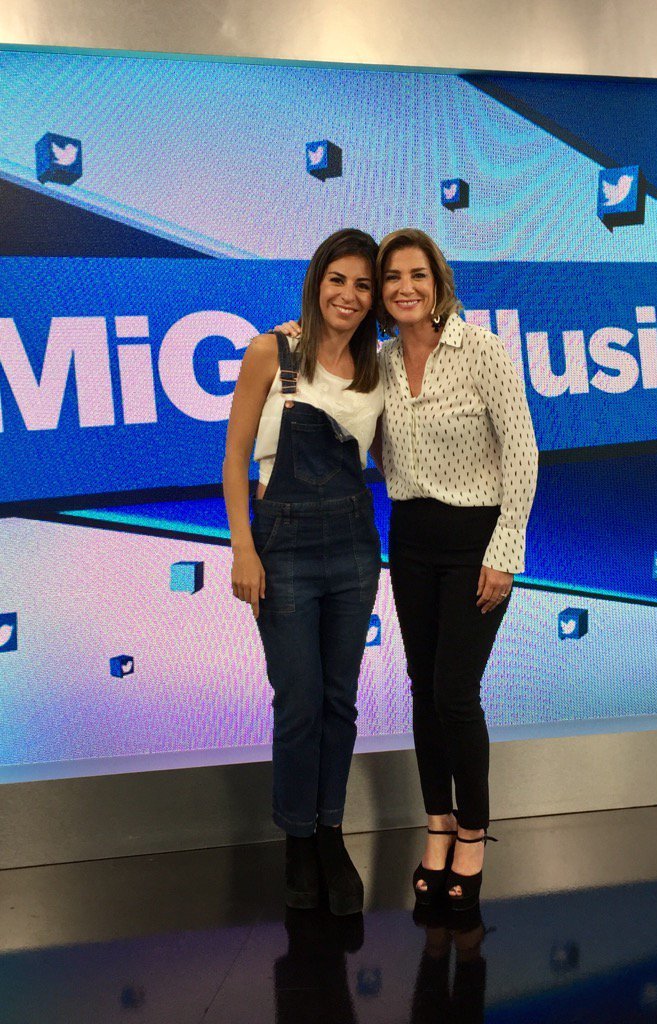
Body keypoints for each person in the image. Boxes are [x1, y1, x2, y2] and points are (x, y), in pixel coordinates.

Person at [222, 228, 383, 915]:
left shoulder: (379, 366)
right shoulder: (273, 351)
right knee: (299, 701)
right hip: (281, 545)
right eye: (338, 279)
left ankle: (331, 836)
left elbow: (388, 456)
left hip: (353, 546)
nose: (349, 295)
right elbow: (234, 458)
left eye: (364, 285)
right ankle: (297, 840)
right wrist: (243, 549)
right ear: (317, 281)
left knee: (340, 702)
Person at [376, 228, 538, 910]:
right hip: (410, 539)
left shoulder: (483, 349)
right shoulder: (380, 362)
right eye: (392, 277)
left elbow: (523, 449)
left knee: (454, 693)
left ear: (438, 282)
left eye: (417, 274)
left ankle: (472, 831)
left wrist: (504, 552)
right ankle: (437, 824)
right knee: (422, 689)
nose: (405, 287)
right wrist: (290, 341)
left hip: (476, 542)